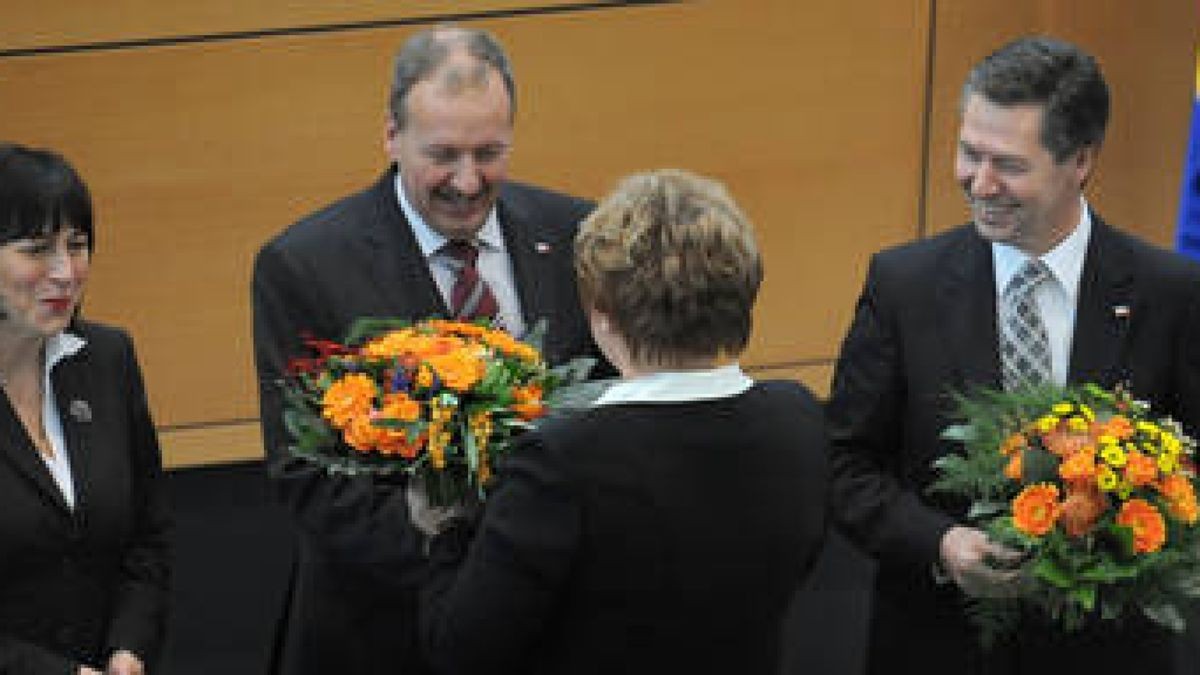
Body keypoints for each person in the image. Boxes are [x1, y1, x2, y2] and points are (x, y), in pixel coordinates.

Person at [827, 35, 1200, 675]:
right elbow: (843, 465)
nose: (980, 181)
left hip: (1109, 653)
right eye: (969, 153)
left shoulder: (1169, 293)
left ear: (1080, 161)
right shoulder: (903, 285)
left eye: (1010, 164)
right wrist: (940, 544)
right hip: (938, 645)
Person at [251, 26, 606, 675]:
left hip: (549, 631)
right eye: (443, 154)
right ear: (391, 134)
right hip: (385, 634)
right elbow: (308, 478)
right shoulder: (305, 266)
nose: (468, 181)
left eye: (489, 152)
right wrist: (471, 562)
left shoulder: (580, 234)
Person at [411, 169, 828, 675]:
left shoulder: (561, 461)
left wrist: (445, 528)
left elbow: (462, 649)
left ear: (603, 313)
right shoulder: (798, 418)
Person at [0, 144, 171, 675]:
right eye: (37, 249)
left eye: (77, 246)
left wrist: (128, 650)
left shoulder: (107, 358)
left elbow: (148, 537)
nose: (66, 273)